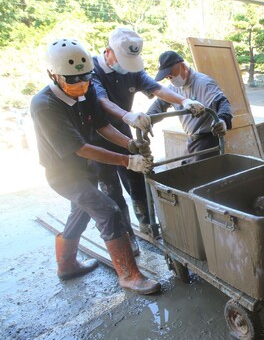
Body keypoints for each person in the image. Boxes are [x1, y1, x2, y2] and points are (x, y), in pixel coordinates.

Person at [30, 38, 160, 295]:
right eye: (72, 81)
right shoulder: (44, 105)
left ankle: (66, 265)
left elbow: (102, 126)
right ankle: (129, 275)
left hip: (84, 167)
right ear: (53, 75)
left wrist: (130, 144)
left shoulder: (86, 90)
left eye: (85, 78)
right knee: (108, 211)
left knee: (81, 212)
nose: (80, 85)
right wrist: (127, 160)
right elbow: (81, 147)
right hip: (63, 173)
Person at [91, 28, 205, 246]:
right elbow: (102, 101)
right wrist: (128, 115)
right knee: (111, 190)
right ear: (108, 52)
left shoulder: (131, 70)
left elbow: (157, 89)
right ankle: (125, 237)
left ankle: (146, 224)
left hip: (124, 132)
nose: (126, 67)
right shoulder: (93, 71)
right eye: (122, 61)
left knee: (136, 177)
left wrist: (183, 102)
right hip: (97, 134)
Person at [146, 50, 232, 162]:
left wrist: (223, 120)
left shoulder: (203, 83)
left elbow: (222, 102)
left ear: (183, 66)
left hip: (207, 140)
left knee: (199, 174)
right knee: (187, 168)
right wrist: (147, 119)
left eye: (171, 73)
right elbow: (160, 104)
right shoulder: (173, 87)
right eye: (167, 76)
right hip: (192, 140)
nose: (169, 77)